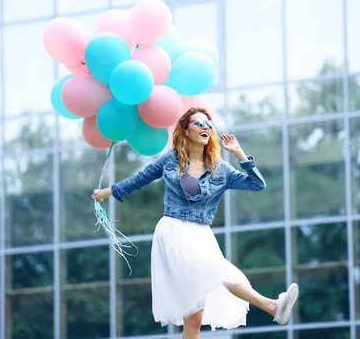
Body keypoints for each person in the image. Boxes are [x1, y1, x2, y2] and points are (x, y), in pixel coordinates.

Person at [92, 107, 298, 338]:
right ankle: (272, 306)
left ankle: (273, 307)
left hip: (202, 235)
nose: (205, 127)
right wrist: (107, 192)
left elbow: (257, 184)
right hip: (173, 230)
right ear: (185, 131)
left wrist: (239, 153)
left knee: (194, 318)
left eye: (208, 124)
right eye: (198, 123)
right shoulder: (171, 159)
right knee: (215, 270)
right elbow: (141, 178)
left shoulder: (222, 169)